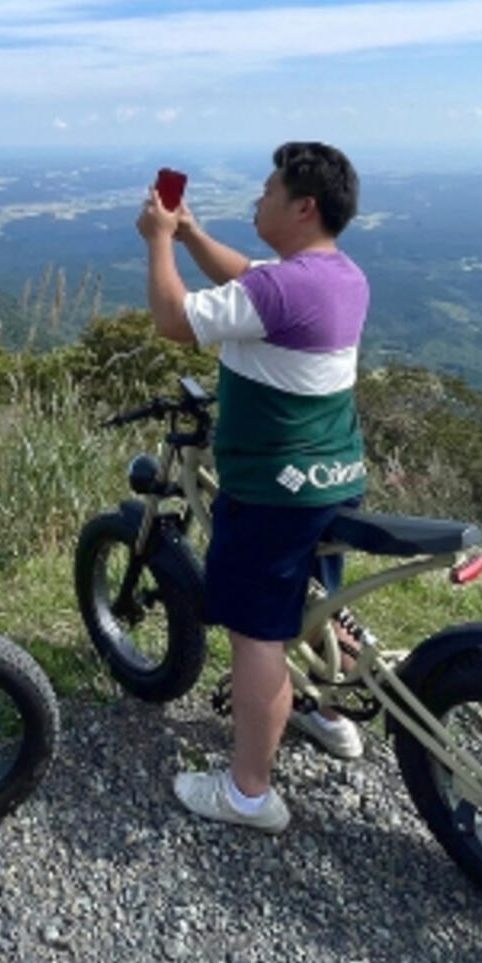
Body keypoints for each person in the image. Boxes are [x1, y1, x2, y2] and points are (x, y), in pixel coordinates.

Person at [135, 142, 369, 833]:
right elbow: (244, 275)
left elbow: (175, 323)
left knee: (257, 633)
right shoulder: (337, 276)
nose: (258, 200)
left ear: (304, 206)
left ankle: (248, 793)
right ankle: (331, 717)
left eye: (268, 191)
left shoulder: (281, 288)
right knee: (320, 602)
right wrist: (193, 232)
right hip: (335, 476)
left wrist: (158, 244)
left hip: (272, 491)